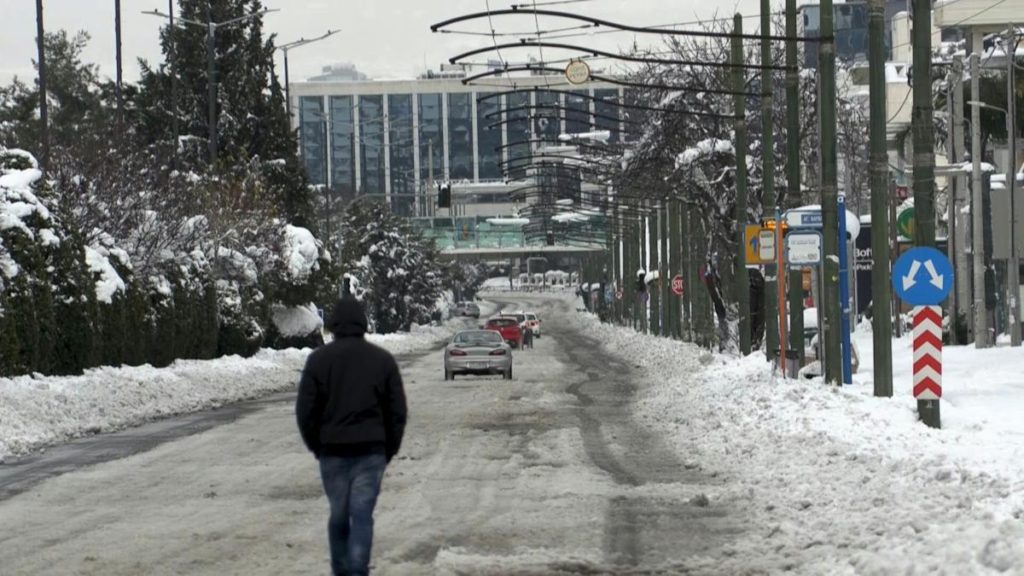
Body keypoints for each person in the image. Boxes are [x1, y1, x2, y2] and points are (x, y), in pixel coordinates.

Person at [296, 298, 407, 576]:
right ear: (363, 324)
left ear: (333, 325)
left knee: (339, 513)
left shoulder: (319, 360)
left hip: (332, 451)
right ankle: (357, 570)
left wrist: (317, 446)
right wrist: (387, 449)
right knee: (362, 514)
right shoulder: (382, 360)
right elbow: (397, 411)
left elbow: (305, 411)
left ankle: (340, 570)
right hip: (371, 452)